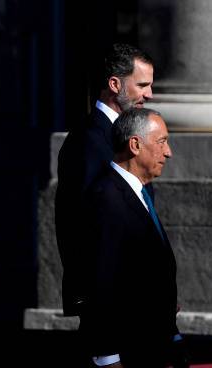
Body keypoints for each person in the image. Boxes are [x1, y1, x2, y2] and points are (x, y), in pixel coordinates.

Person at [67, 108, 186, 368]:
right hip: (128, 351)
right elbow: (98, 282)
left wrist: (172, 336)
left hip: (148, 347)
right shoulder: (107, 197)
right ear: (135, 145)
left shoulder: (138, 192)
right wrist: (107, 355)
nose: (168, 151)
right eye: (161, 142)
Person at [55, 43, 154, 317]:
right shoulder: (88, 141)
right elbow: (79, 225)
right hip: (108, 299)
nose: (150, 94)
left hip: (134, 294)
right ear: (115, 84)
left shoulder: (127, 135)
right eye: (142, 85)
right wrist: (90, 300)